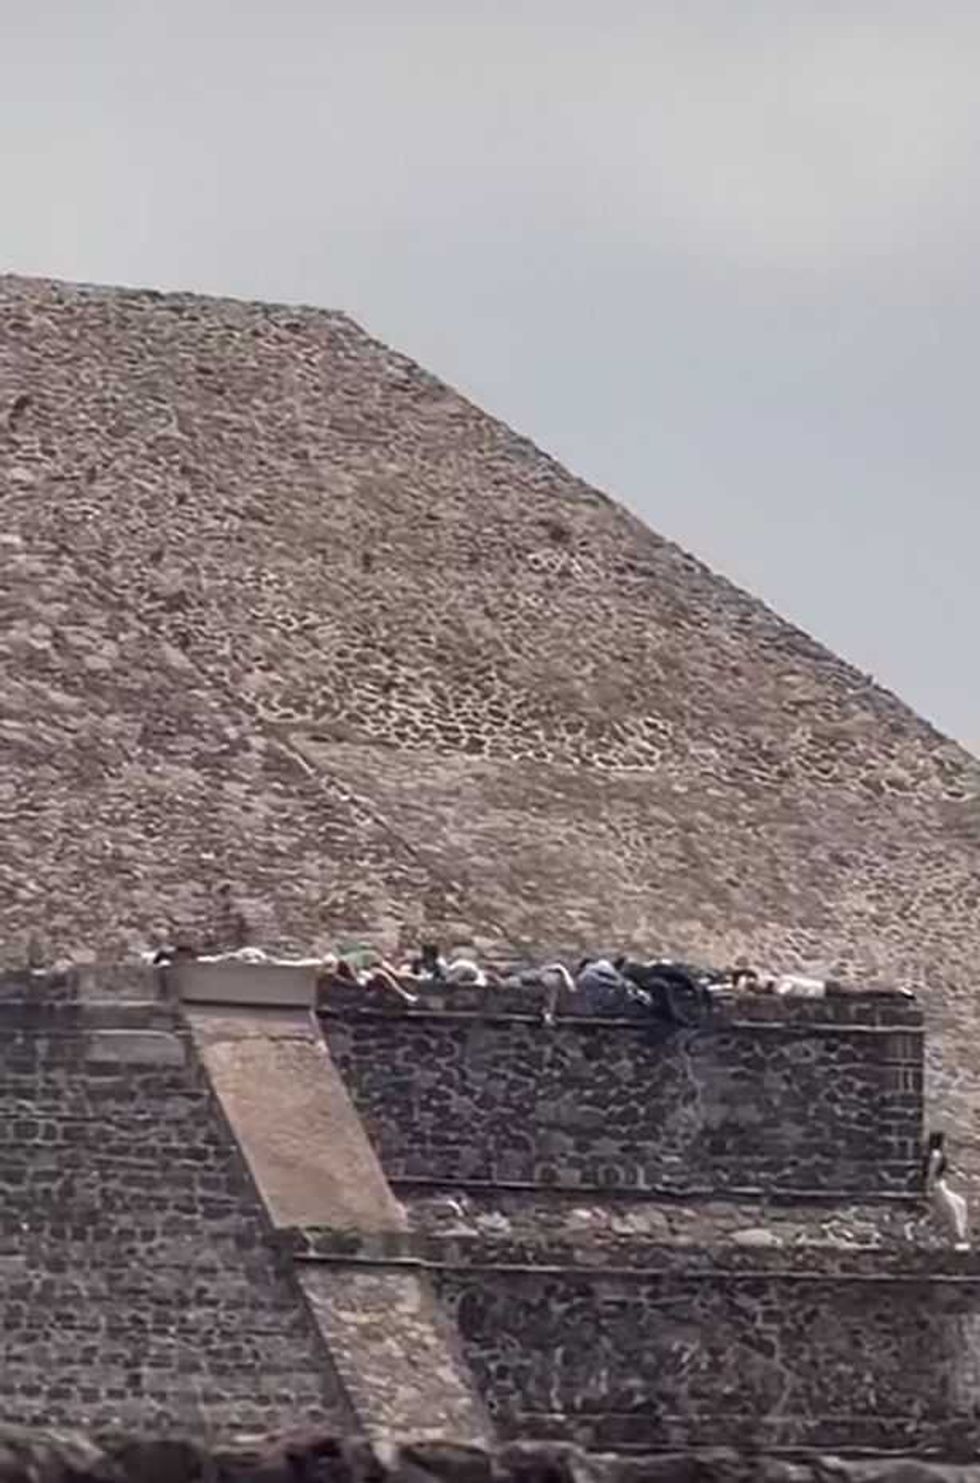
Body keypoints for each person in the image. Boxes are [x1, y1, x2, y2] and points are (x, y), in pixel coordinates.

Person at [924, 1132, 969, 1250]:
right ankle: (956, 1239)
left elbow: (943, 1169)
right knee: (952, 1211)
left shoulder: (938, 1155)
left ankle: (960, 1236)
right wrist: (929, 1188)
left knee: (961, 1203)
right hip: (937, 1186)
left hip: (941, 1185)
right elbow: (931, 1172)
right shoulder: (936, 1155)